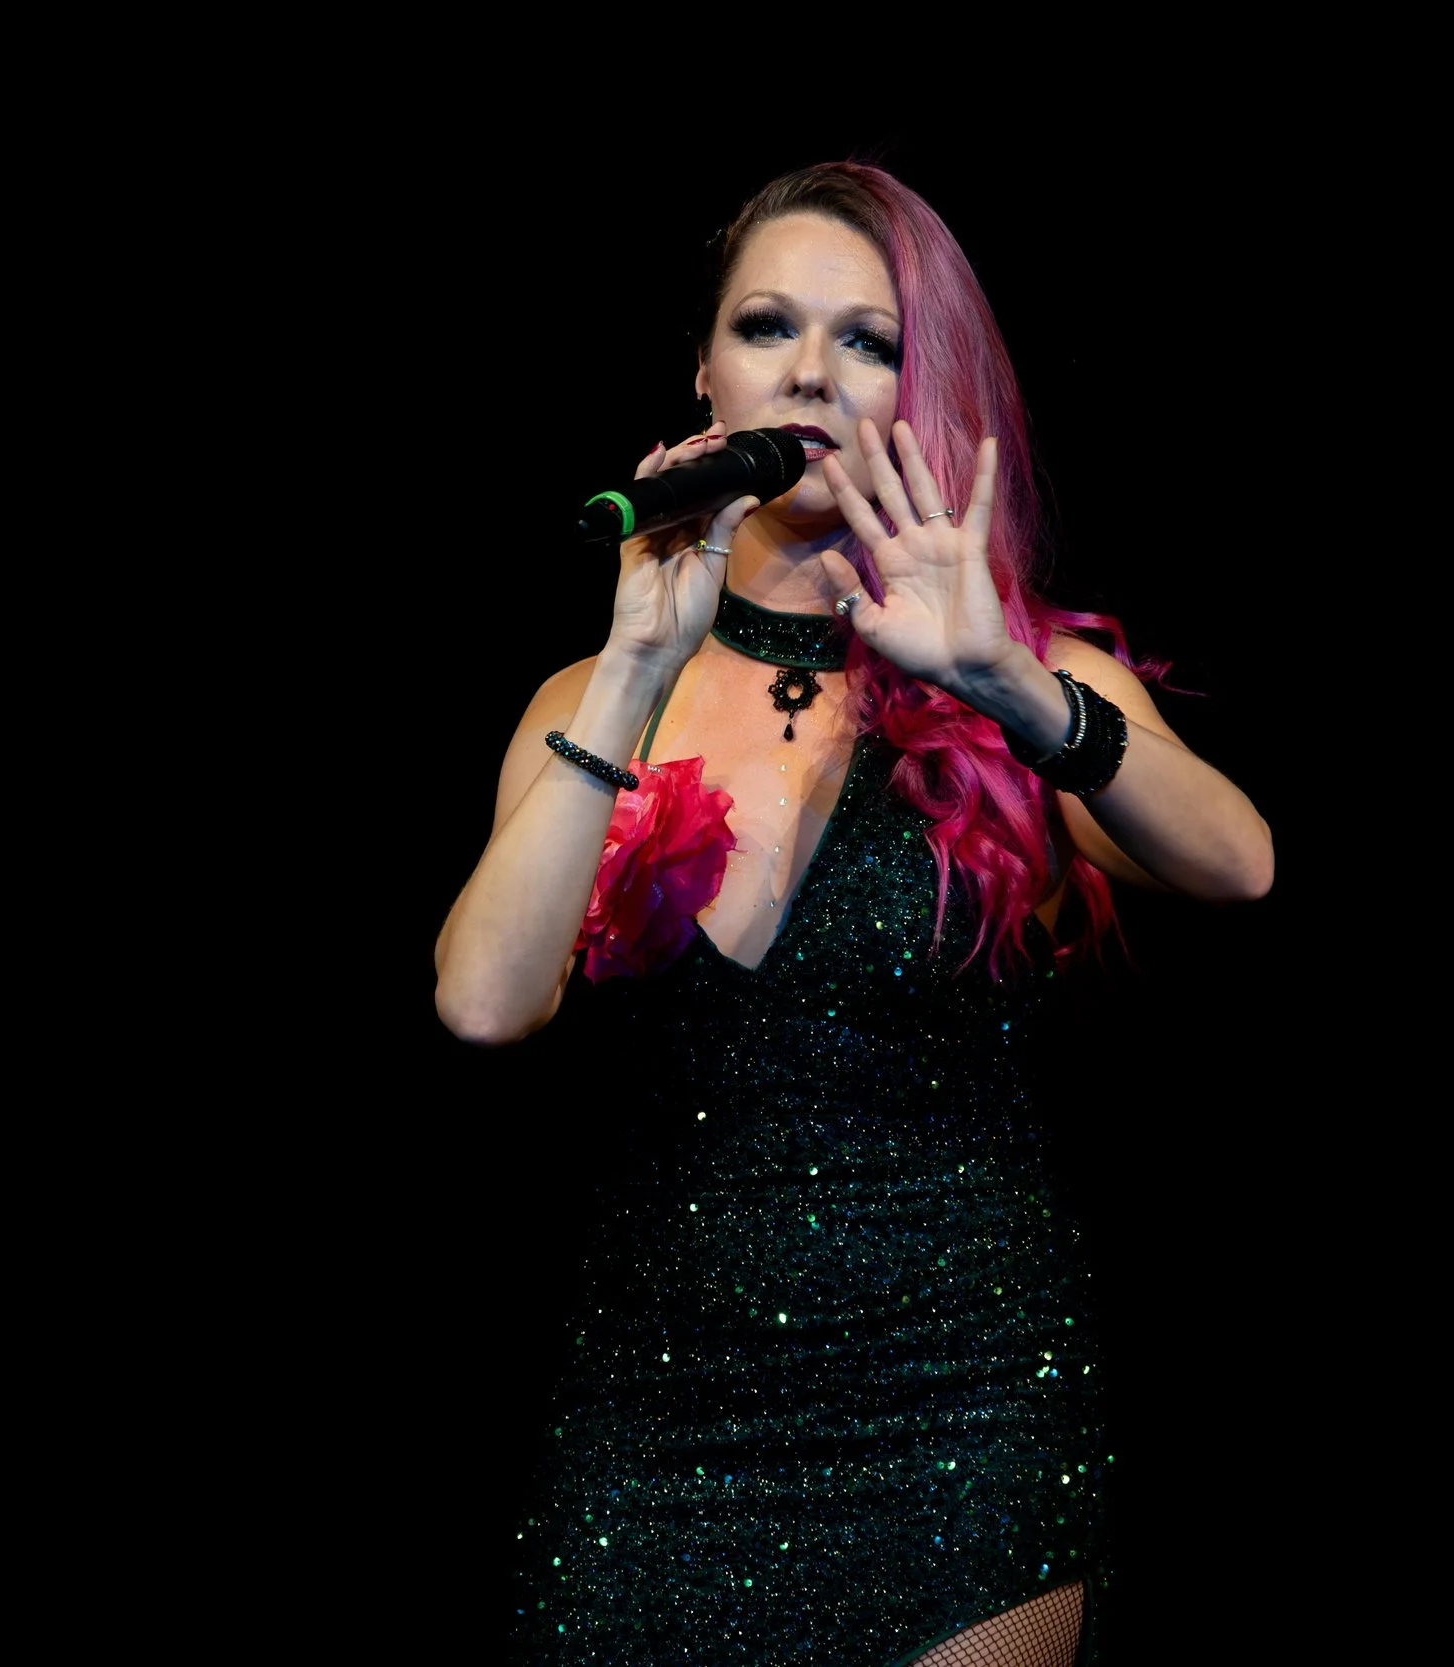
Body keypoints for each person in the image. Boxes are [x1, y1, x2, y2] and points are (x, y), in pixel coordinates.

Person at [432, 161, 1274, 1663]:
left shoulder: (1007, 674)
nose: (812, 370)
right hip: (652, 1448)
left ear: (919, 381)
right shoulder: (589, 700)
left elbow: (1237, 862)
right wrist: (636, 665)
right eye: (769, 326)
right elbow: (485, 1001)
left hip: (963, 1420)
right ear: (706, 371)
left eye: (867, 339)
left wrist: (1009, 681)